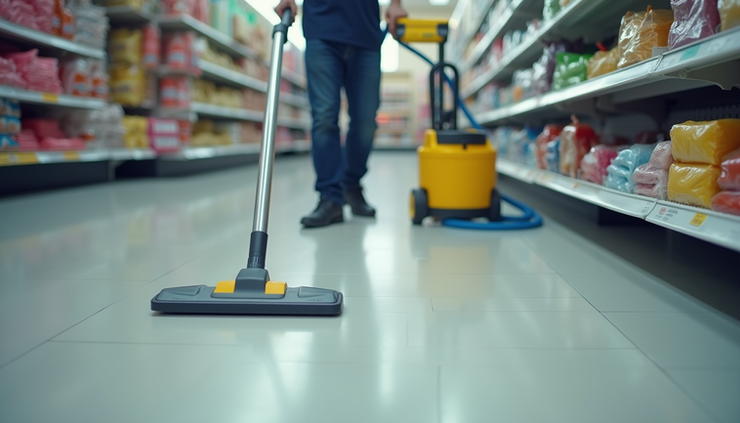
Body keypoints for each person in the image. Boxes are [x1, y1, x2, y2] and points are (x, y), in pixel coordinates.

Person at [275, 0, 407, 228]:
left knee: (366, 121)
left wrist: (396, 3)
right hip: (322, 30)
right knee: (324, 117)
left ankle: (351, 184)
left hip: (365, 33)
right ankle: (330, 197)